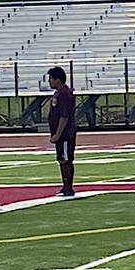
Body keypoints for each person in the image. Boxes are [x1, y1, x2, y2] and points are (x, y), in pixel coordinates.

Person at [47, 66, 77, 196]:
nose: (49, 82)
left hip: (65, 134)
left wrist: (58, 134)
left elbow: (64, 116)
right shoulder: (59, 93)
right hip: (61, 134)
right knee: (61, 159)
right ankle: (65, 185)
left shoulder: (64, 94)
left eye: (51, 79)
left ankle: (68, 187)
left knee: (66, 159)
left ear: (57, 79)